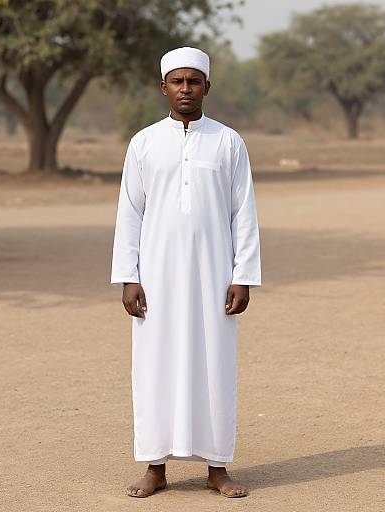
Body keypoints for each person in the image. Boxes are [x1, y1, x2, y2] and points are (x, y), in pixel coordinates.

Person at [110, 46, 261, 498]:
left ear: (207, 88)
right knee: (154, 364)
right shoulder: (144, 143)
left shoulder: (228, 141)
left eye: (193, 81)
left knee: (215, 363)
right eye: (177, 81)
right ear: (164, 87)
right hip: (156, 275)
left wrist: (243, 275)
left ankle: (218, 467)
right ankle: (155, 467)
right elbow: (129, 214)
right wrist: (128, 275)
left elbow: (244, 213)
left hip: (215, 275)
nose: (185, 89)